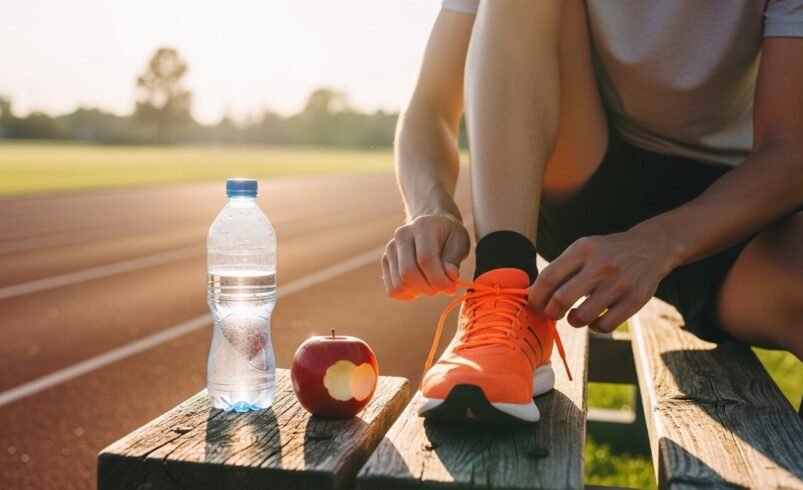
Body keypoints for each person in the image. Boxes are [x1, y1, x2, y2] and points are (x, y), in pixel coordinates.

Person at [381, 0, 803, 423]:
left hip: (729, 206)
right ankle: (504, 292)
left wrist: (657, 243)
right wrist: (432, 206)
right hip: (585, 164)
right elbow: (432, 105)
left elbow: (790, 147)